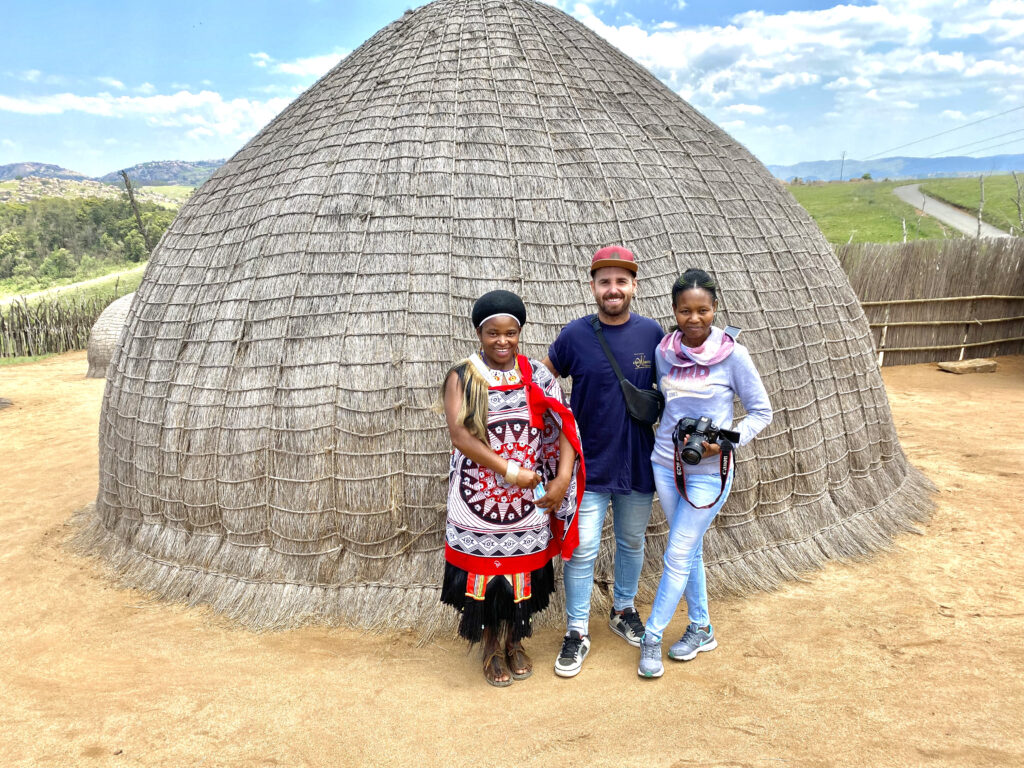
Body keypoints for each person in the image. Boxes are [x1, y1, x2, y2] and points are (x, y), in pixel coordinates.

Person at [440, 289, 585, 687]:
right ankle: (490, 645)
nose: (501, 341)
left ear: (519, 333)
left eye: (510, 333)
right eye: (492, 333)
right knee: (488, 577)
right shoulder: (463, 376)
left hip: (528, 499)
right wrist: (510, 471)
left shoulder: (537, 374)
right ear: (478, 333)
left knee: (525, 572)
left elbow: (566, 427)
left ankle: (515, 640)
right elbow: (461, 436)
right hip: (480, 497)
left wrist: (561, 479)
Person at [637, 268, 772, 678]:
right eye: (685, 311)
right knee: (689, 547)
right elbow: (666, 404)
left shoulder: (734, 354)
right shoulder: (664, 352)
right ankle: (701, 627)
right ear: (674, 311)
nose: (694, 319)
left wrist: (725, 441)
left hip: (710, 470)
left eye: (703, 310)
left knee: (676, 551)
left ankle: (651, 637)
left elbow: (761, 412)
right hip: (665, 462)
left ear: (715, 309)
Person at [543, 246, 665, 678]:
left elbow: (676, 386)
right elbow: (544, 381)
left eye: (621, 281)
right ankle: (576, 630)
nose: (613, 290)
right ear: (593, 287)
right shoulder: (575, 335)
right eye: (604, 282)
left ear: (634, 286)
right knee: (582, 550)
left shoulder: (653, 334)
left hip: (638, 463)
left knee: (633, 542)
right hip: (587, 465)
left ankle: (623, 609)